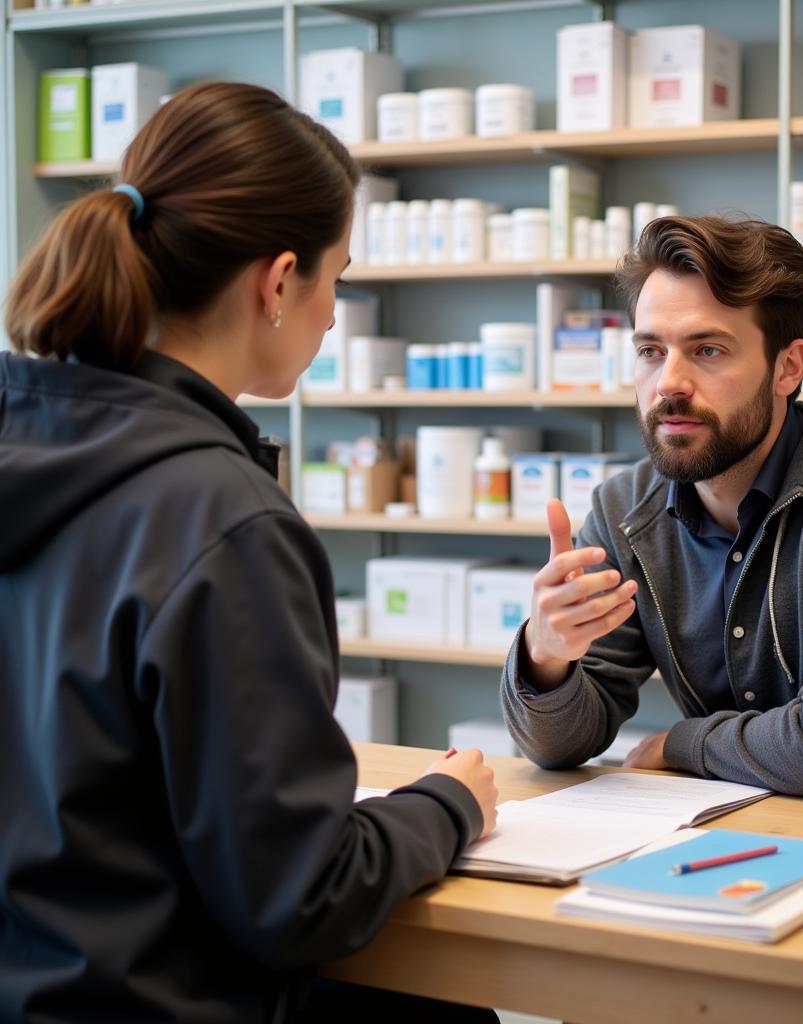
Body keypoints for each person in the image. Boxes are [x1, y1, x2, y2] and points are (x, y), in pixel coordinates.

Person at [0, 82, 499, 1024]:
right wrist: (447, 806)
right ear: (277, 283)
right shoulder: (224, 521)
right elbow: (301, 898)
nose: (333, 315)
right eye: (336, 280)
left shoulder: (31, 445)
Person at [501, 214, 803, 803]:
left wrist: (680, 744)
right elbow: (557, 746)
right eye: (650, 351)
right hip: (747, 826)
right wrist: (546, 655)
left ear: (789, 367)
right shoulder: (627, 510)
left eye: (707, 350)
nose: (668, 384)